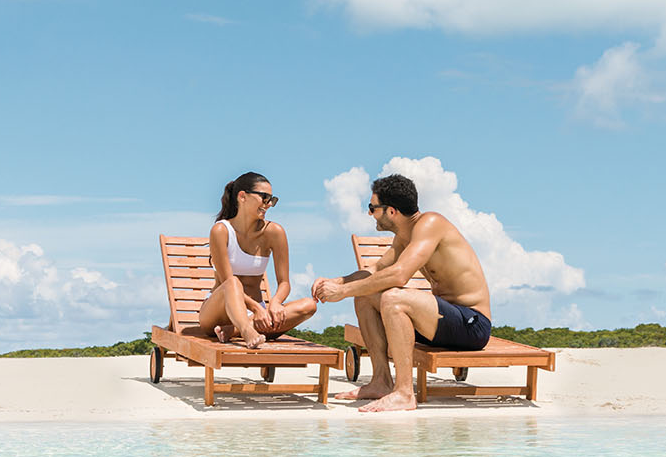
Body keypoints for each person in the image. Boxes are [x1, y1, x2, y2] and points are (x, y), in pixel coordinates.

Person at [311, 173, 491, 412]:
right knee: (365, 295)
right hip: (439, 322)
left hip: (471, 324)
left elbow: (399, 276)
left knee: (393, 298)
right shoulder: (404, 237)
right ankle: (381, 382)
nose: (369, 213)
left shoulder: (430, 223)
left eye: (372, 208)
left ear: (391, 211)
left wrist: (342, 291)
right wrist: (334, 282)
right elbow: (375, 271)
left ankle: (405, 393)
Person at [200, 171, 318, 348]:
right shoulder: (221, 231)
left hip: (257, 313)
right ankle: (247, 330)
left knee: (309, 305)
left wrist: (276, 302)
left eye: (272, 199)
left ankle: (233, 330)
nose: (269, 204)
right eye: (264, 197)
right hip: (218, 312)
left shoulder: (274, 232)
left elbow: (284, 282)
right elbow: (226, 281)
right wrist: (256, 309)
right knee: (233, 283)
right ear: (242, 196)